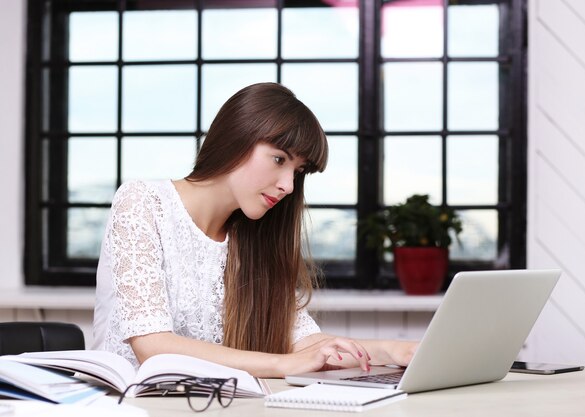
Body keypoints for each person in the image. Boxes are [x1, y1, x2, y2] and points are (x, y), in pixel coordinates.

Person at [93, 82, 416, 378]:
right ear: (236, 138)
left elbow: (305, 345)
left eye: (298, 171)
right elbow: (153, 347)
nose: (289, 185)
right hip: (129, 404)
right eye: (279, 159)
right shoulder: (143, 202)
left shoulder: (254, 237)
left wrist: (394, 350)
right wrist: (283, 364)